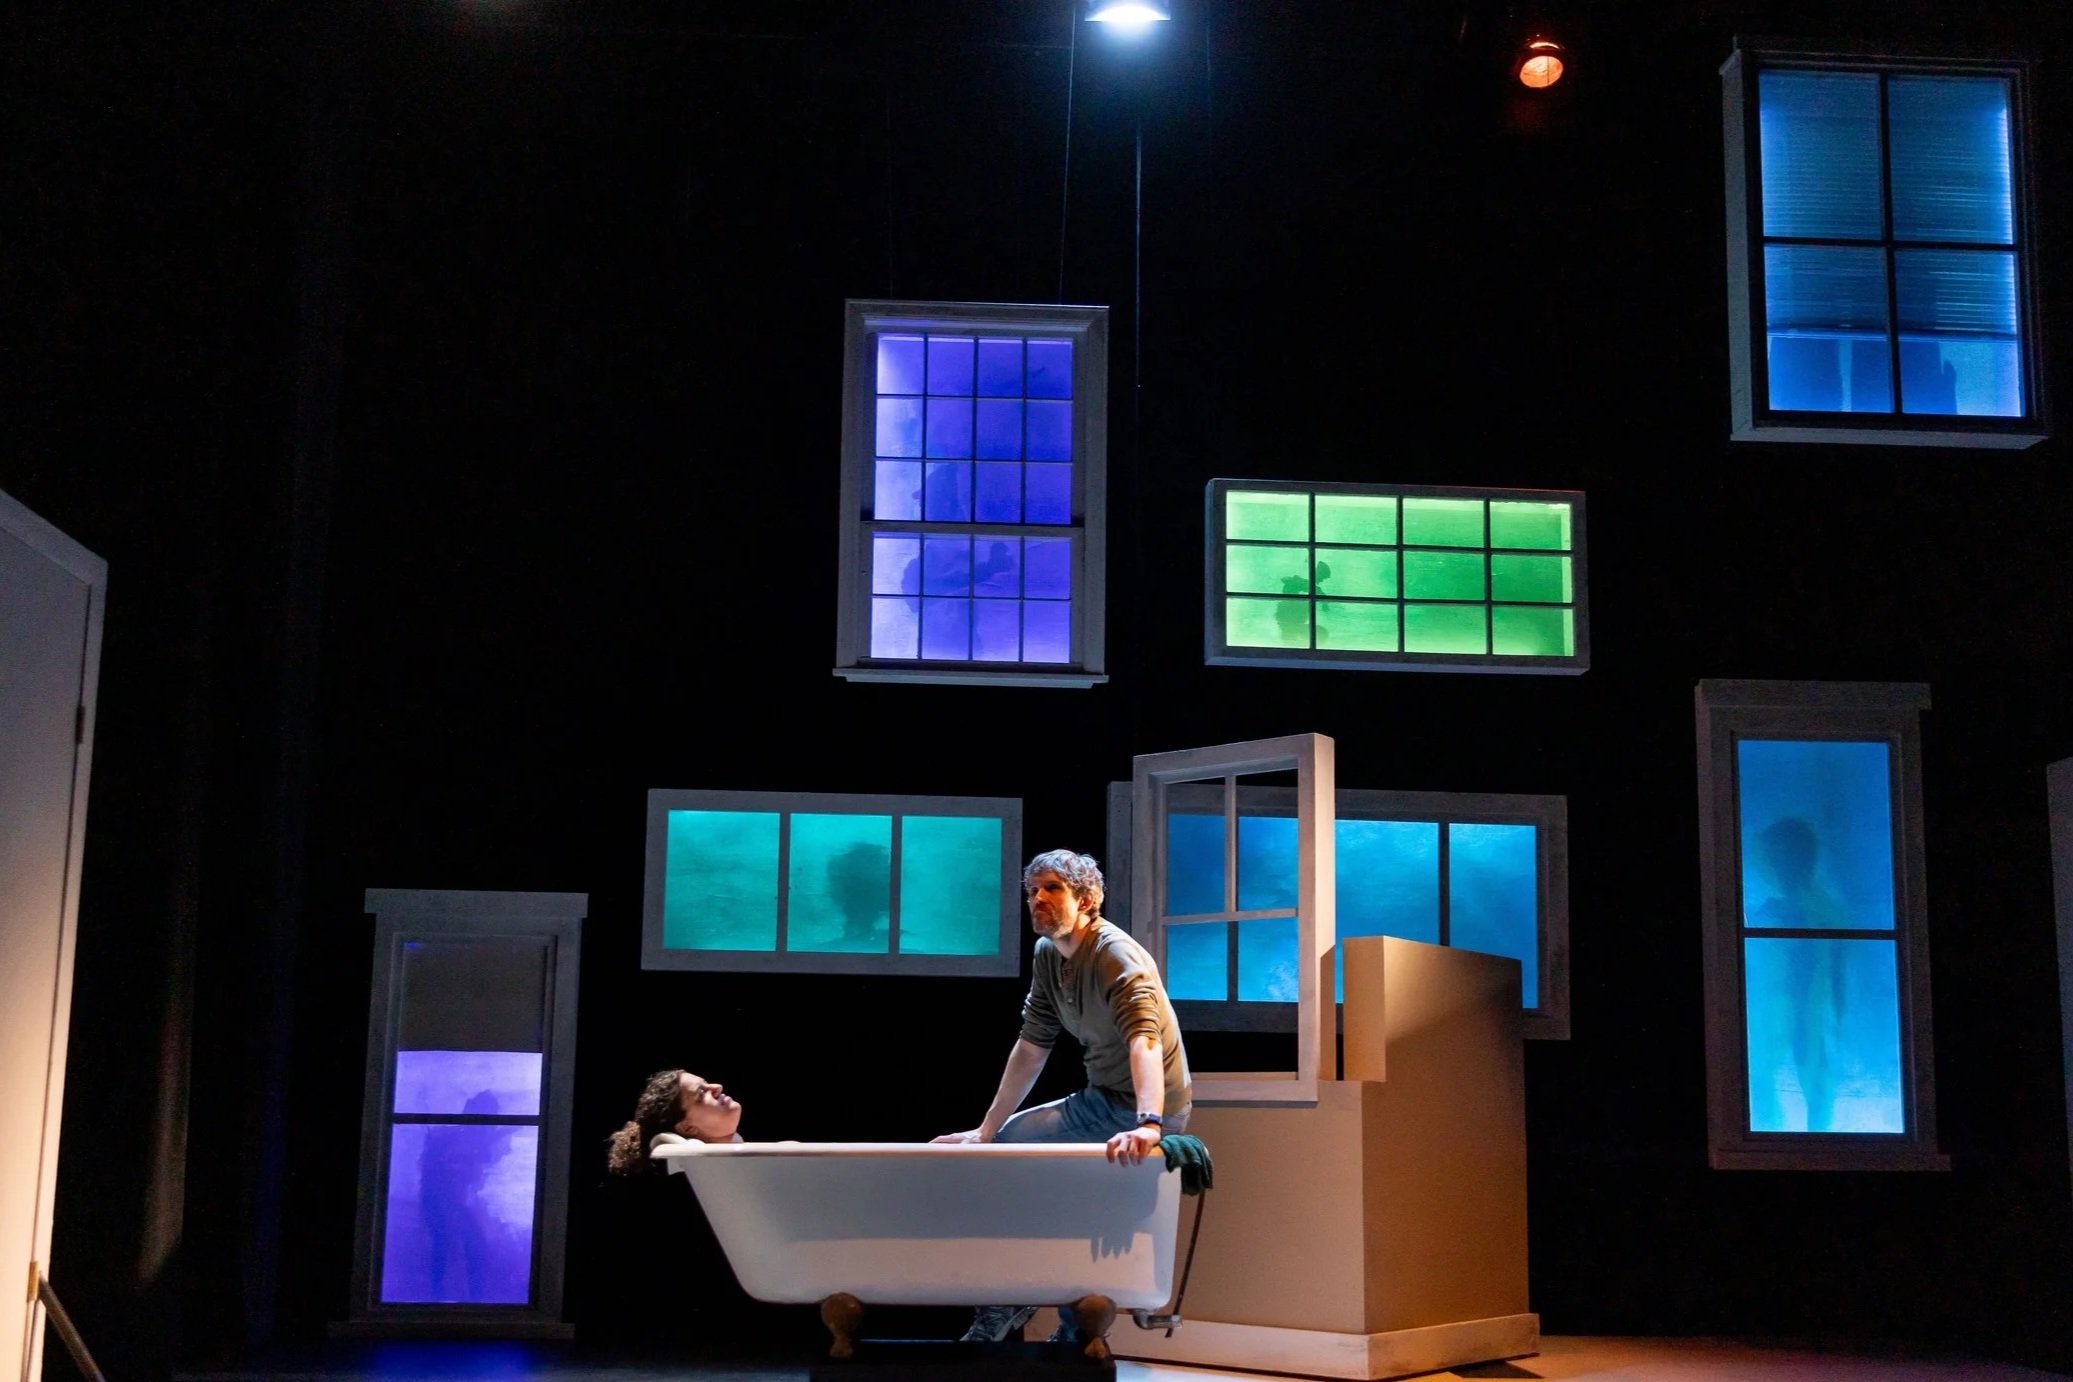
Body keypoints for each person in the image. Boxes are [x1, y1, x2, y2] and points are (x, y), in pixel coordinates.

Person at [934, 848, 1192, 1343]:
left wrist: (1149, 1122)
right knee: (1007, 1146)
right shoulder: (1048, 955)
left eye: (1052, 889)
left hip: (1146, 1105)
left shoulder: (1116, 954)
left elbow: (1145, 1040)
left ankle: (1071, 1331)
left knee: (1093, 1207)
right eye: (1033, 891)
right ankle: (1009, 1300)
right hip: (1101, 1099)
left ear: (1087, 898)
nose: (1038, 900)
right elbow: (1032, 1045)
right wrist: (984, 1130)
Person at [605, 1068, 743, 1175]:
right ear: (687, 1128)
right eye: (701, 1093)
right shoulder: (699, 1184)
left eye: (706, 1084)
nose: (717, 1087)